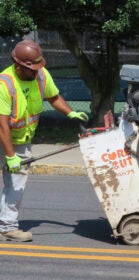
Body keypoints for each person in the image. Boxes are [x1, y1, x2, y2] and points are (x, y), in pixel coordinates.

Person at [0, 39, 88, 242]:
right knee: (14, 177)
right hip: (3, 133)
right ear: (19, 66)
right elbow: (2, 124)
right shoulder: (5, 84)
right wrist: (10, 156)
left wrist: (71, 113)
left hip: (20, 138)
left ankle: (8, 226)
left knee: (16, 183)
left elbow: (54, 97)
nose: (37, 71)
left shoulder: (40, 75)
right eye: (33, 68)